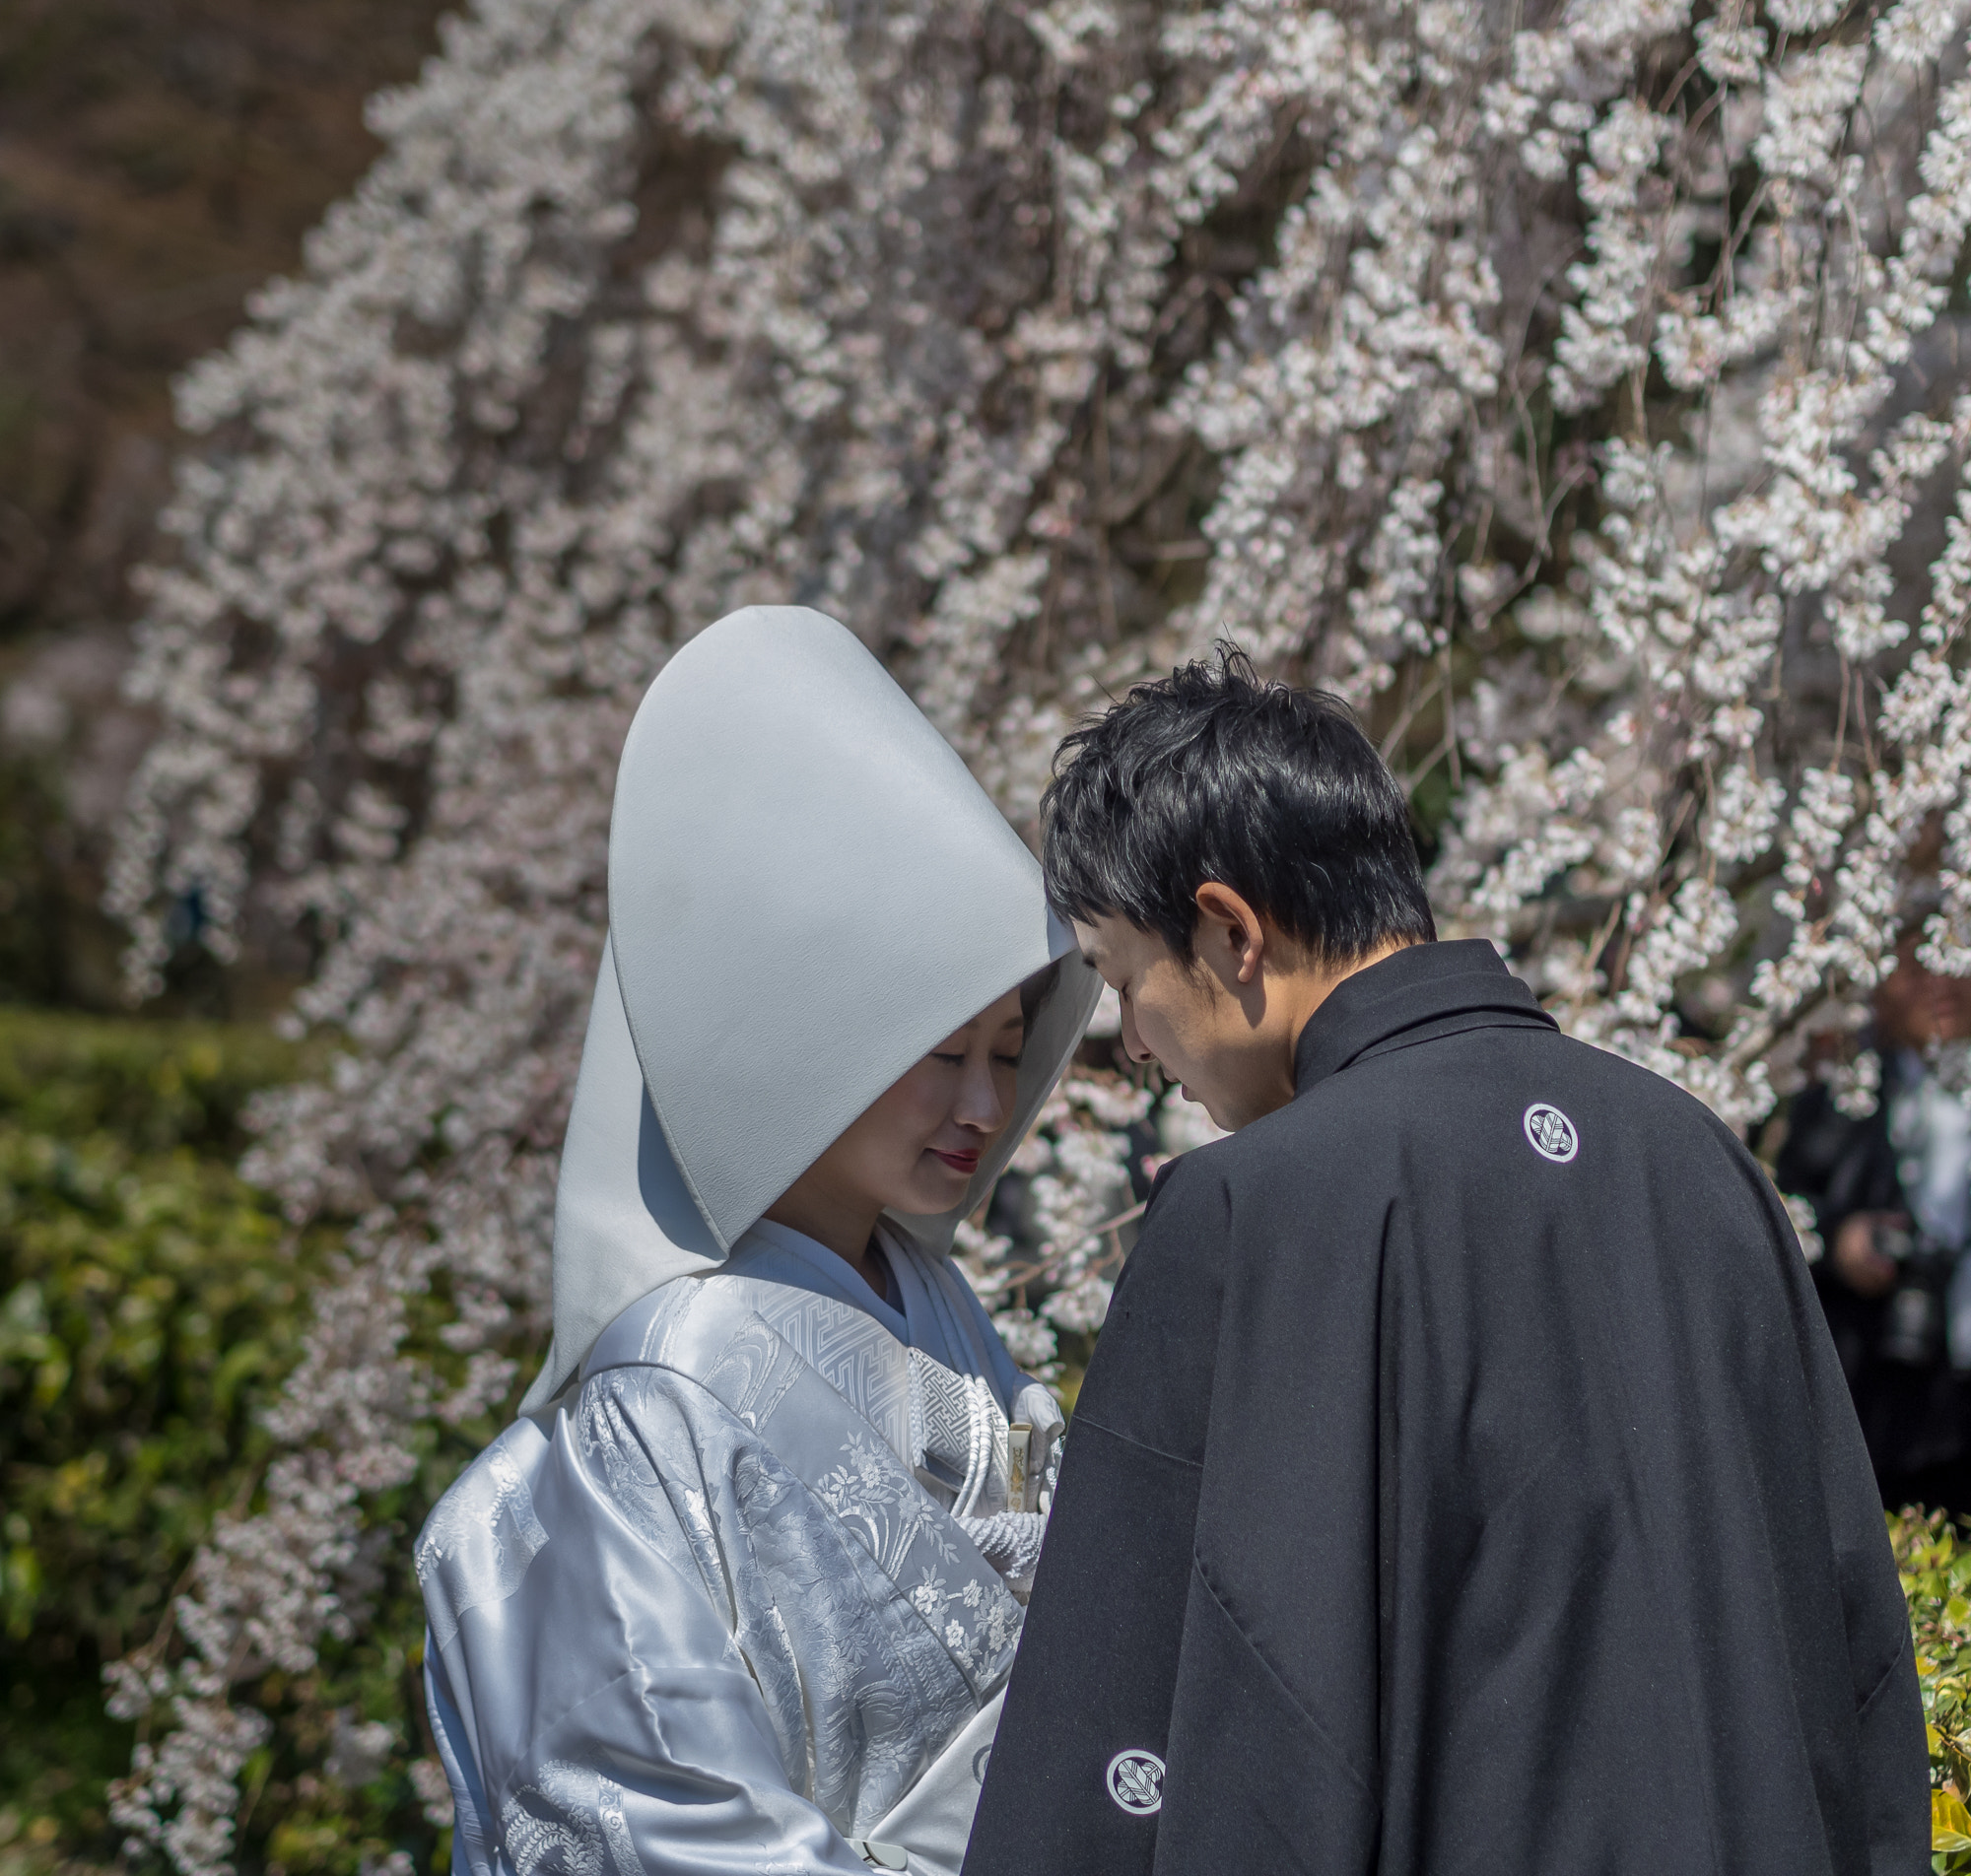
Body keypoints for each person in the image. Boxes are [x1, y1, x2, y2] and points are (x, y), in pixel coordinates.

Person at [964, 648, 1926, 1876]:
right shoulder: (1697, 1158)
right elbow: (1851, 1639)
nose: (1138, 1046)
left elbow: (1194, 1700)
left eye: (1121, 982)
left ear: (1226, 930)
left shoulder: (1248, 1212)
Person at [415, 605, 1100, 1876]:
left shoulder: (932, 1300)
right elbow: (650, 1808)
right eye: (942, 1052)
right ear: (802, 1030)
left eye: (1008, 1053)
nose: (985, 1107)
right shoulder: (664, 1374)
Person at [1779, 924, 1971, 1514]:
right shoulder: (1840, 1098)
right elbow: (1789, 1217)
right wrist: (1843, 1243)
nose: (1940, 985)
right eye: (1916, 970)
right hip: (1886, 1395)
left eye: (1954, 962)